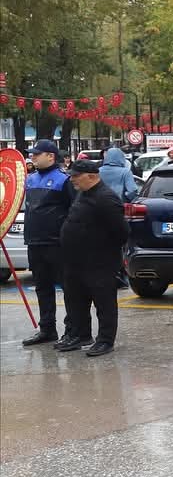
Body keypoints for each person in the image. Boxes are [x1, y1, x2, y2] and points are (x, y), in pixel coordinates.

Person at [56, 159, 126, 356]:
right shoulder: (82, 194)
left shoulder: (106, 198)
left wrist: (101, 249)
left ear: (92, 176)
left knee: (103, 302)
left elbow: (121, 232)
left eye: (76, 176)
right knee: (76, 300)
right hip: (75, 259)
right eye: (71, 175)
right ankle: (81, 335)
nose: (72, 179)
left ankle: (105, 340)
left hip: (99, 261)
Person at [19, 140, 74, 348]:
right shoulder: (30, 180)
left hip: (57, 244)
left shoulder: (64, 180)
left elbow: (73, 211)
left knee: (68, 288)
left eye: (36, 154)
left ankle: (72, 329)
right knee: (42, 287)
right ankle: (47, 328)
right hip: (35, 242)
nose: (32, 157)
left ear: (50, 156)